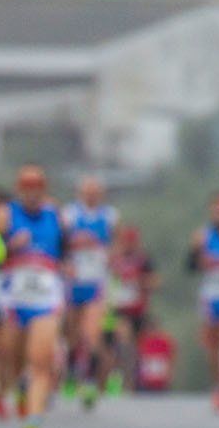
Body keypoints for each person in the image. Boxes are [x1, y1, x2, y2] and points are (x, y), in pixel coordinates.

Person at [0, 164, 64, 428]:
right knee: (12, 358)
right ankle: (13, 390)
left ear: (43, 190)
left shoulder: (56, 215)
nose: (33, 194)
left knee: (40, 361)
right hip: (14, 297)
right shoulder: (5, 214)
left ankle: (33, 421)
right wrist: (10, 247)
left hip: (45, 296)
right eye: (27, 188)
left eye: (38, 188)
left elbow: (68, 249)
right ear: (20, 189)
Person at [60, 175, 117, 410]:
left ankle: (90, 382)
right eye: (87, 191)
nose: (91, 195)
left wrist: (108, 254)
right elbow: (59, 244)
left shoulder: (110, 216)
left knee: (91, 334)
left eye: (95, 191)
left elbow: (117, 246)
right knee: (73, 335)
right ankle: (72, 374)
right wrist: (75, 246)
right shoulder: (69, 215)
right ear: (80, 193)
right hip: (73, 282)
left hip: (96, 282)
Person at [188, 192, 219, 412]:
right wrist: (197, 253)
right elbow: (191, 267)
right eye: (216, 211)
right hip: (210, 296)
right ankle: (218, 385)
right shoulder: (202, 236)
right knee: (212, 348)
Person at [105, 223, 155, 391]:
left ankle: (132, 381)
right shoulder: (112, 259)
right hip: (116, 310)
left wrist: (138, 280)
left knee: (134, 346)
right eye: (125, 241)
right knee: (118, 341)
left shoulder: (143, 259)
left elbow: (155, 281)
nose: (128, 244)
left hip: (138, 310)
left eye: (132, 241)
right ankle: (114, 378)